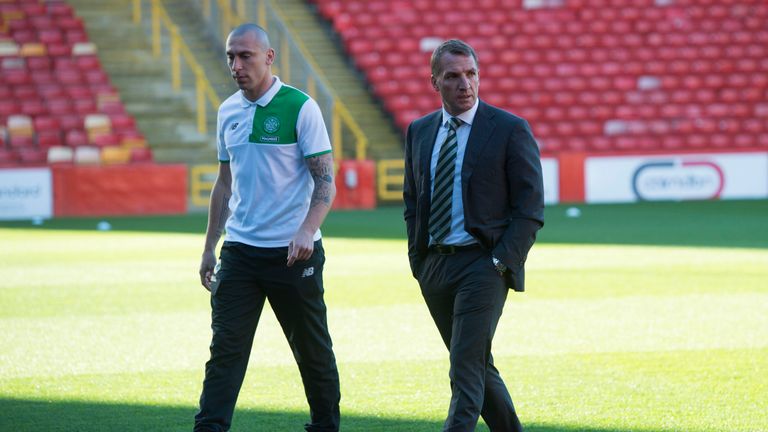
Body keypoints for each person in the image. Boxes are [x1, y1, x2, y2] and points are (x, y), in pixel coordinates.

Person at [194, 23, 340, 432]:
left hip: (294, 254)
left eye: (245, 56)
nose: (236, 65)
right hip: (240, 251)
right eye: (230, 57)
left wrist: (307, 230)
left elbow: (325, 182)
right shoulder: (227, 111)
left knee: (312, 351)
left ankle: (325, 426)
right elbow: (224, 184)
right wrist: (209, 246)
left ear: (269, 57)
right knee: (225, 350)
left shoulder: (300, 106)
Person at [403, 39, 545, 431]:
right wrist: (419, 262)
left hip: (484, 265)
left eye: (471, 74)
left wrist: (500, 262)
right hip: (435, 266)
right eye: (452, 76)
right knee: (477, 362)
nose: (464, 83)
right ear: (435, 82)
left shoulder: (509, 129)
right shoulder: (419, 131)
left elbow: (530, 209)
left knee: (464, 367)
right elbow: (413, 201)